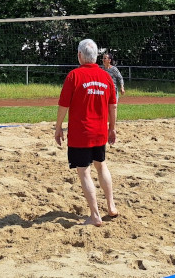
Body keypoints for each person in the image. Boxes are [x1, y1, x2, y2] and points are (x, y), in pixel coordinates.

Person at [55, 39, 118, 226]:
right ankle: (111, 205)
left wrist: (58, 127)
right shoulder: (106, 76)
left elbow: (63, 105)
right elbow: (113, 105)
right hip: (99, 132)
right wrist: (112, 128)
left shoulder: (74, 76)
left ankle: (95, 215)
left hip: (81, 133)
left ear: (80, 55)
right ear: (97, 56)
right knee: (102, 166)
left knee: (84, 172)